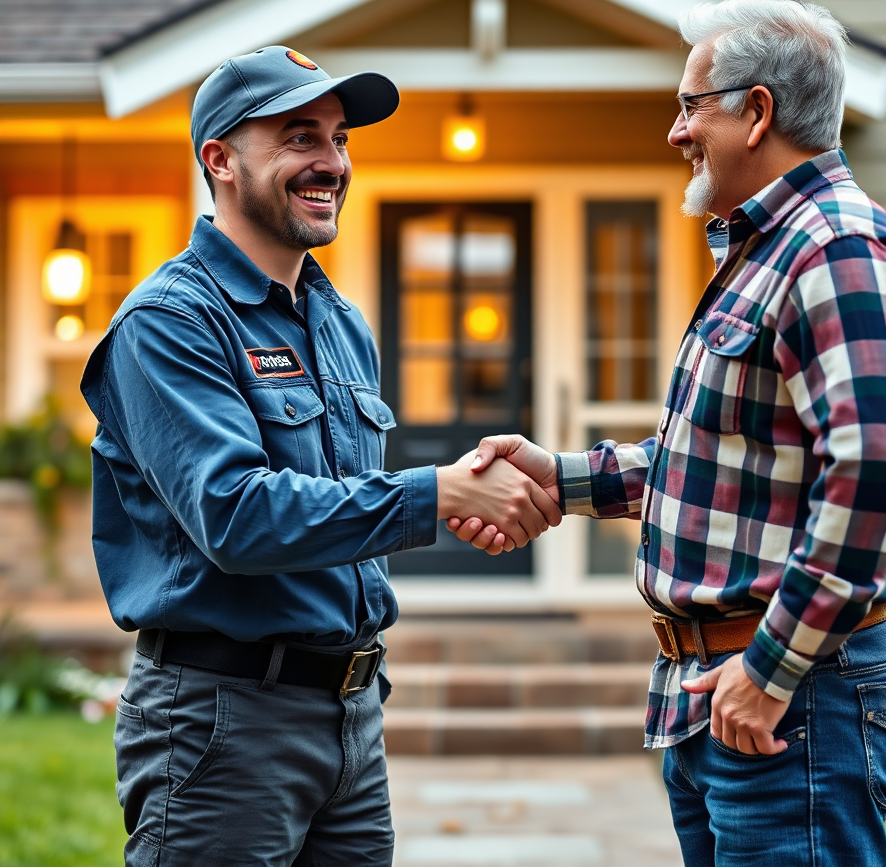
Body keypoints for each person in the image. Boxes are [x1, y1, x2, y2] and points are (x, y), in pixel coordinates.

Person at [452, 0, 886, 867]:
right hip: (722, 691)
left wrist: (770, 671)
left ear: (756, 114)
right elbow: (722, 460)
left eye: (691, 105)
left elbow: (880, 475)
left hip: (797, 699)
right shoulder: (767, 251)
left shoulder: (835, 248)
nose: (677, 130)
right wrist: (556, 479)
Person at [80, 46, 558, 867]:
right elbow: (237, 515)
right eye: (301, 137)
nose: (331, 163)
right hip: (222, 727)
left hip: (349, 718)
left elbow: (342, 508)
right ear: (220, 160)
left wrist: (477, 497)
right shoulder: (171, 323)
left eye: (339, 140)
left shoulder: (339, 322)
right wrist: (440, 493)